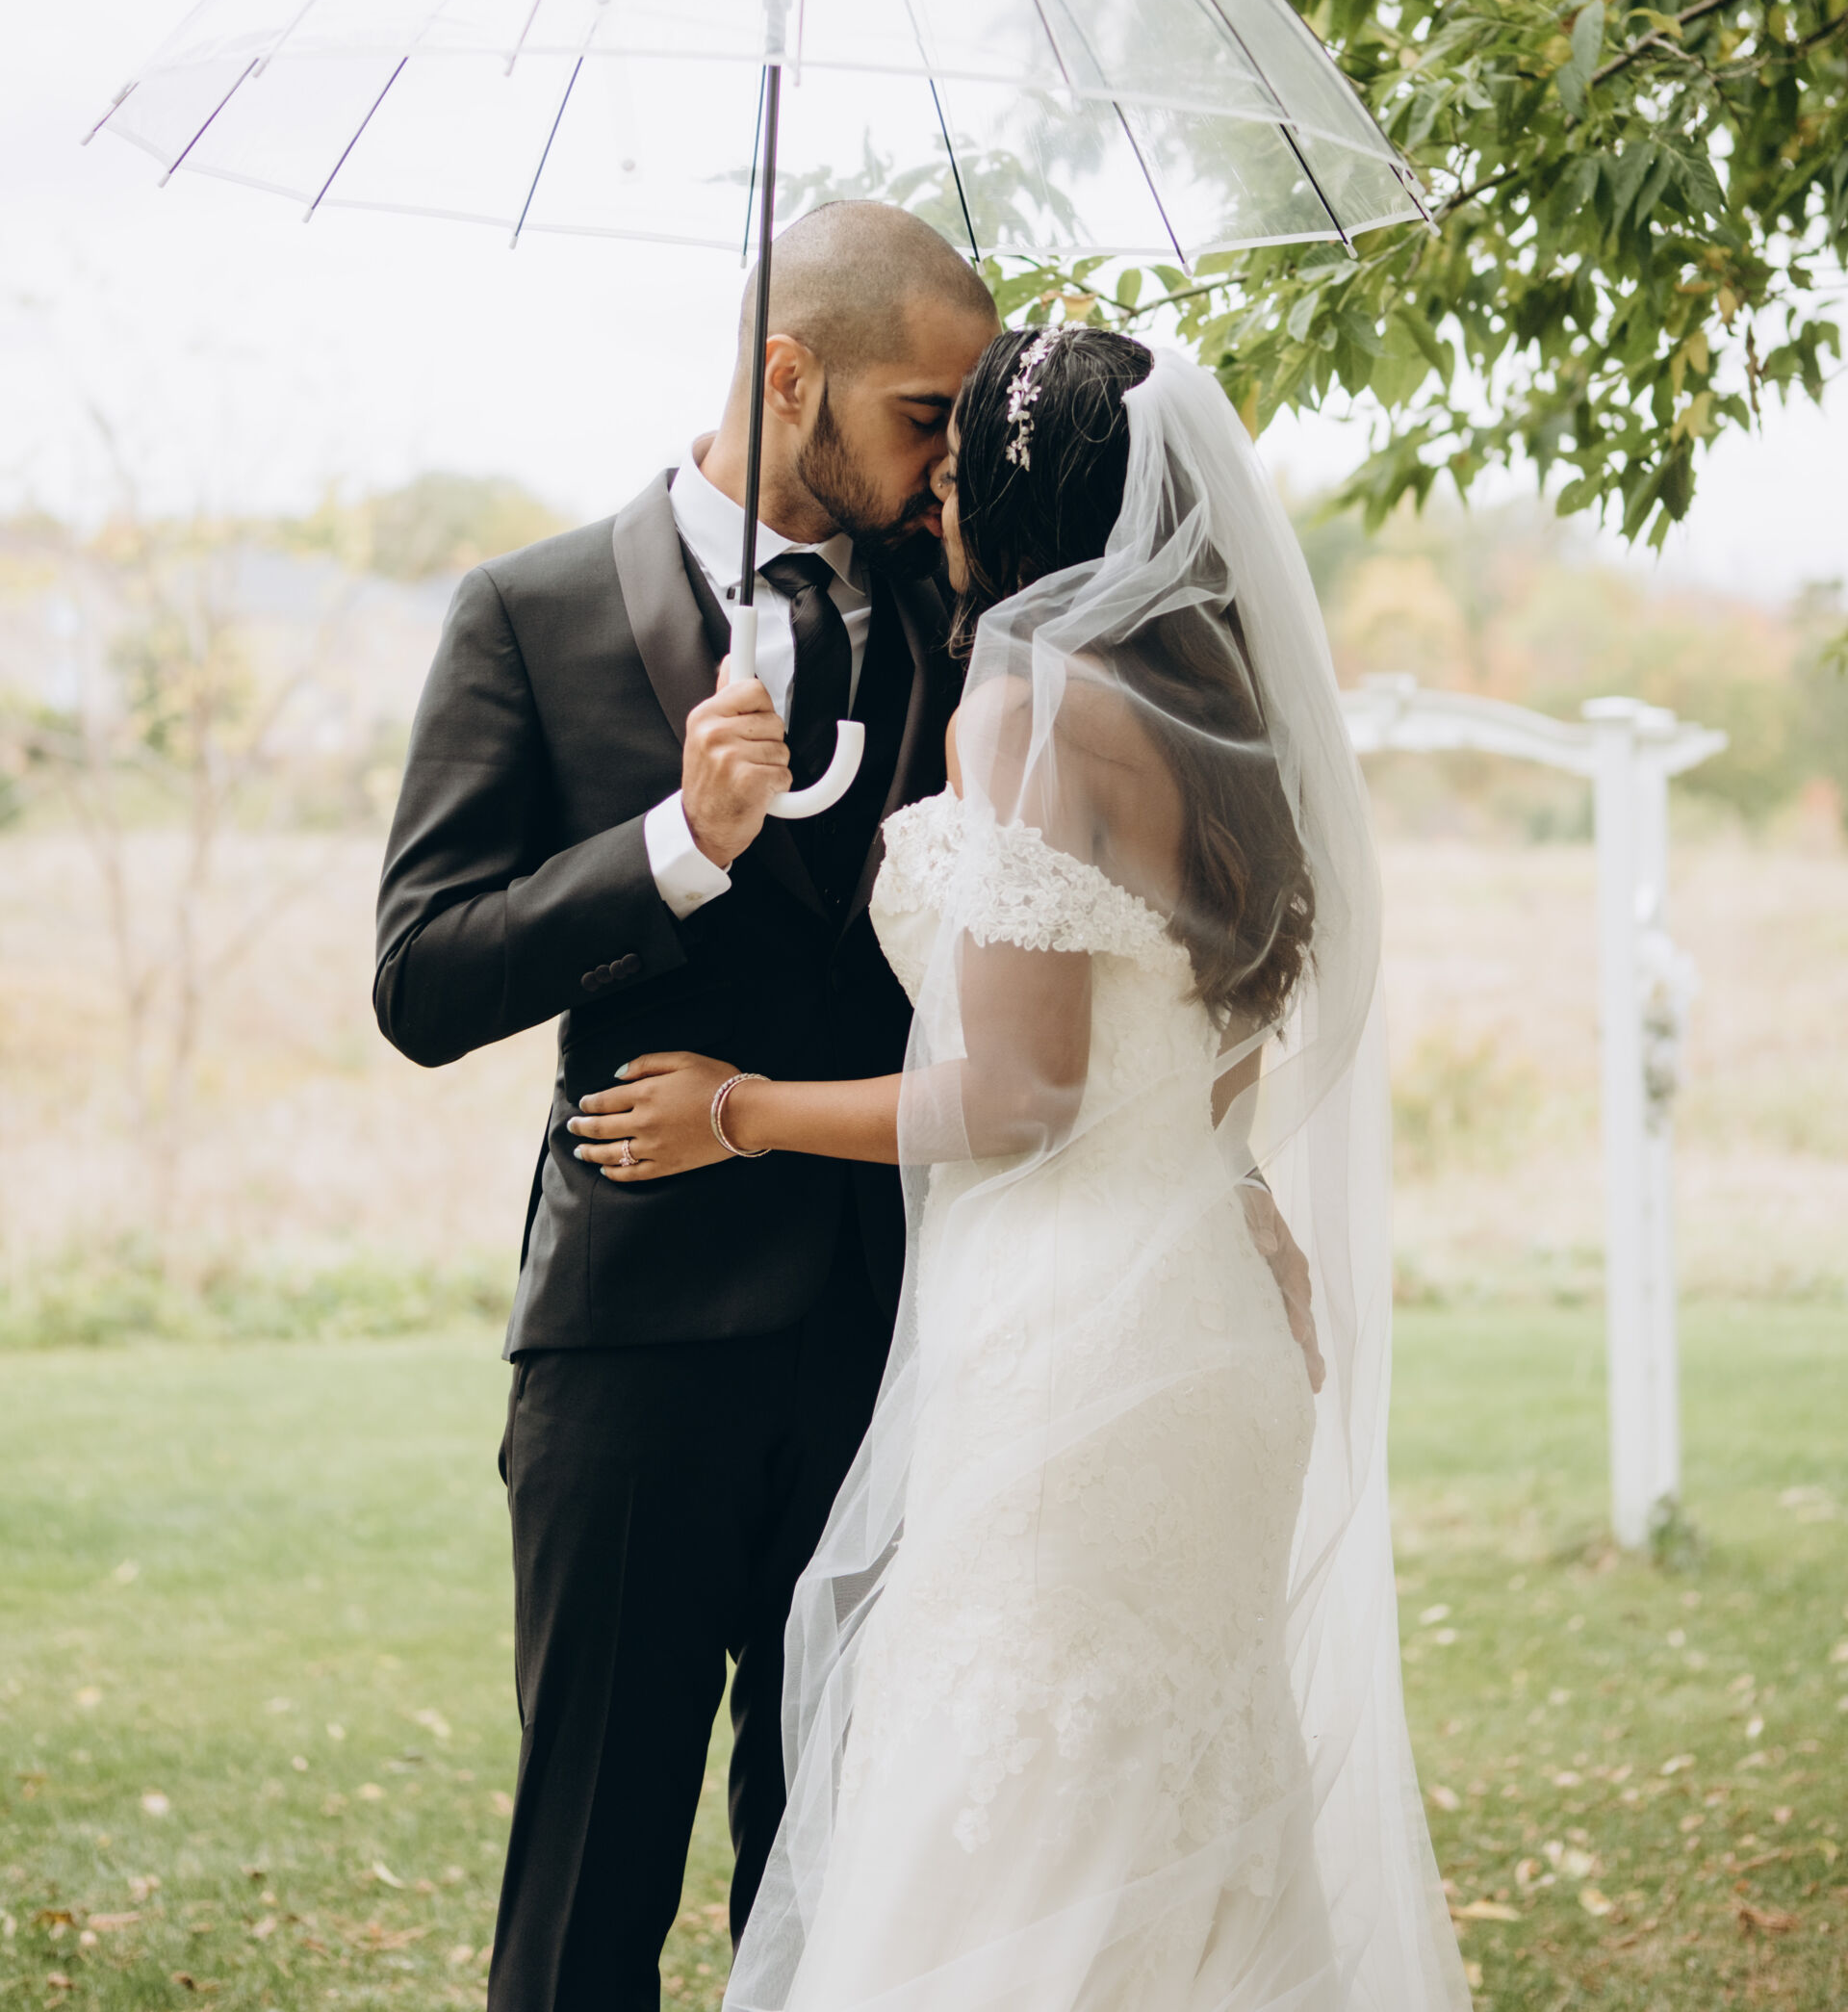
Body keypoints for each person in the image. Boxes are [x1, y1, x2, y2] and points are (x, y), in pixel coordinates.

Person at [573, 329, 1472, 2011]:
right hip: (1205, 1317)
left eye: (956, 463)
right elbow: (1200, 1038)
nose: (933, 499)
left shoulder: (1026, 706)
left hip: (1080, 1341)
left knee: (1025, 1821)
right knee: (1180, 1803)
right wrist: (1243, 1198)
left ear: (1017, 499)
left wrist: (739, 1109)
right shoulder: (1227, 723)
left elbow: (1027, 1088)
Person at [372, 201, 998, 2012]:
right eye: (923, 414)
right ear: (788, 376)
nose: (945, 459)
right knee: (591, 1880)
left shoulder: (963, 624)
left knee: (840, 1885)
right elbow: (422, 980)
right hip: (632, 1340)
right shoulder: (529, 612)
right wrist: (672, 845)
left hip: (893, 1336)